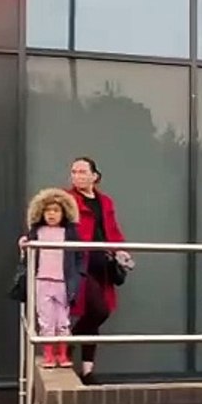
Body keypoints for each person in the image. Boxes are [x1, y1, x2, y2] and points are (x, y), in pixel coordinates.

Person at [68, 157, 129, 385]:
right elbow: (50, 220)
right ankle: (67, 344)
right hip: (79, 264)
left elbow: (112, 230)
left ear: (95, 176)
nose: (77, 176)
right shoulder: (68, 199)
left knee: (94, 316)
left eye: (82, 172)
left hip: (101, 264)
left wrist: (122, 252)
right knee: (98, 310)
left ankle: (87, 370)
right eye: (74, 172)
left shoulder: (105, 202)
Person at [19, 188, 84, 368]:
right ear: (41, 212)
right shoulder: (36, 232)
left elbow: (79, 256)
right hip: (42, 281)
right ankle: (48, 355)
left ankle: (62, 355)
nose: (51, 214)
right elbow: (27, 249)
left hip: (63, 282)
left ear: (64, 213)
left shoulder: (69, 233)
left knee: (63, 320)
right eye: (48, 211)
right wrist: (24, 245)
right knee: (45, 320)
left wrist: (78, 276)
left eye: (56, 210)